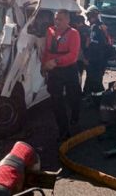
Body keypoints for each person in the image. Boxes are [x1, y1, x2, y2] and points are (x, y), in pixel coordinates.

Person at [41, 9, 81, 140]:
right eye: (56, 19)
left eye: (60, 19)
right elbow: (46, 51)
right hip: (54, 71)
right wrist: (44, 65)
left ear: (68, 20)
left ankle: (75, 115)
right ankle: (63, 130)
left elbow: (73, 56)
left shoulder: (74, 33)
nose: (57, 22)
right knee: (56, 100)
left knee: (73, 97)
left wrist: (56, 61)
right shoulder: (50, 31)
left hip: (69, 69)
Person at [83, 6, 108, 100]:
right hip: (102, 59)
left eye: (89, 16)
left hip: (94, 60)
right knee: (94, 79)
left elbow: (93, 45)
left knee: (94, 80)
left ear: (91, 16)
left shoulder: (94, 28)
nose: (88, 19)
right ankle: (91, 96)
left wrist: (86, 57)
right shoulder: (102, 26)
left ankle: (97, 100)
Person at [72, 15, 90, 88]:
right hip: (88, 55)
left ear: (78, 22)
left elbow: (81, 45)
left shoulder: (78, 31)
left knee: (78, 73)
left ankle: (78, 89)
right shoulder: (89, 29)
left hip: (80, 56)